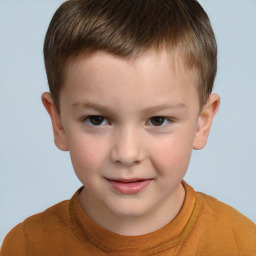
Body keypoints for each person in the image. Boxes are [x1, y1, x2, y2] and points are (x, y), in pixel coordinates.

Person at [1, 0, 255, 255]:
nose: (127, 153)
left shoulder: (241, 243)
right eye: (97, 120)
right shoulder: (26, 246)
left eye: (158, 120)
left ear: (202, 122)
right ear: (59, 123)